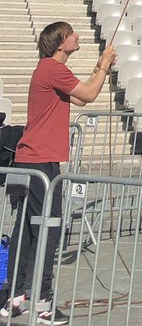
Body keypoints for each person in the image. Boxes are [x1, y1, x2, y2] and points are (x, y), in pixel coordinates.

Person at [1, 22, 116, 326]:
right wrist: (103, 67)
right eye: (72, 34)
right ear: (61, 42)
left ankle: (12, 297)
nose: (78, 36)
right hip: (41, 162)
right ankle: (42, 303)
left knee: (25, 230)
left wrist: (98, 69)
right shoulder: (53, 69)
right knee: (48, 231)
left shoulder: (49, 70)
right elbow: (89, 96)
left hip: (30, 160)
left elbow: (79, 98)